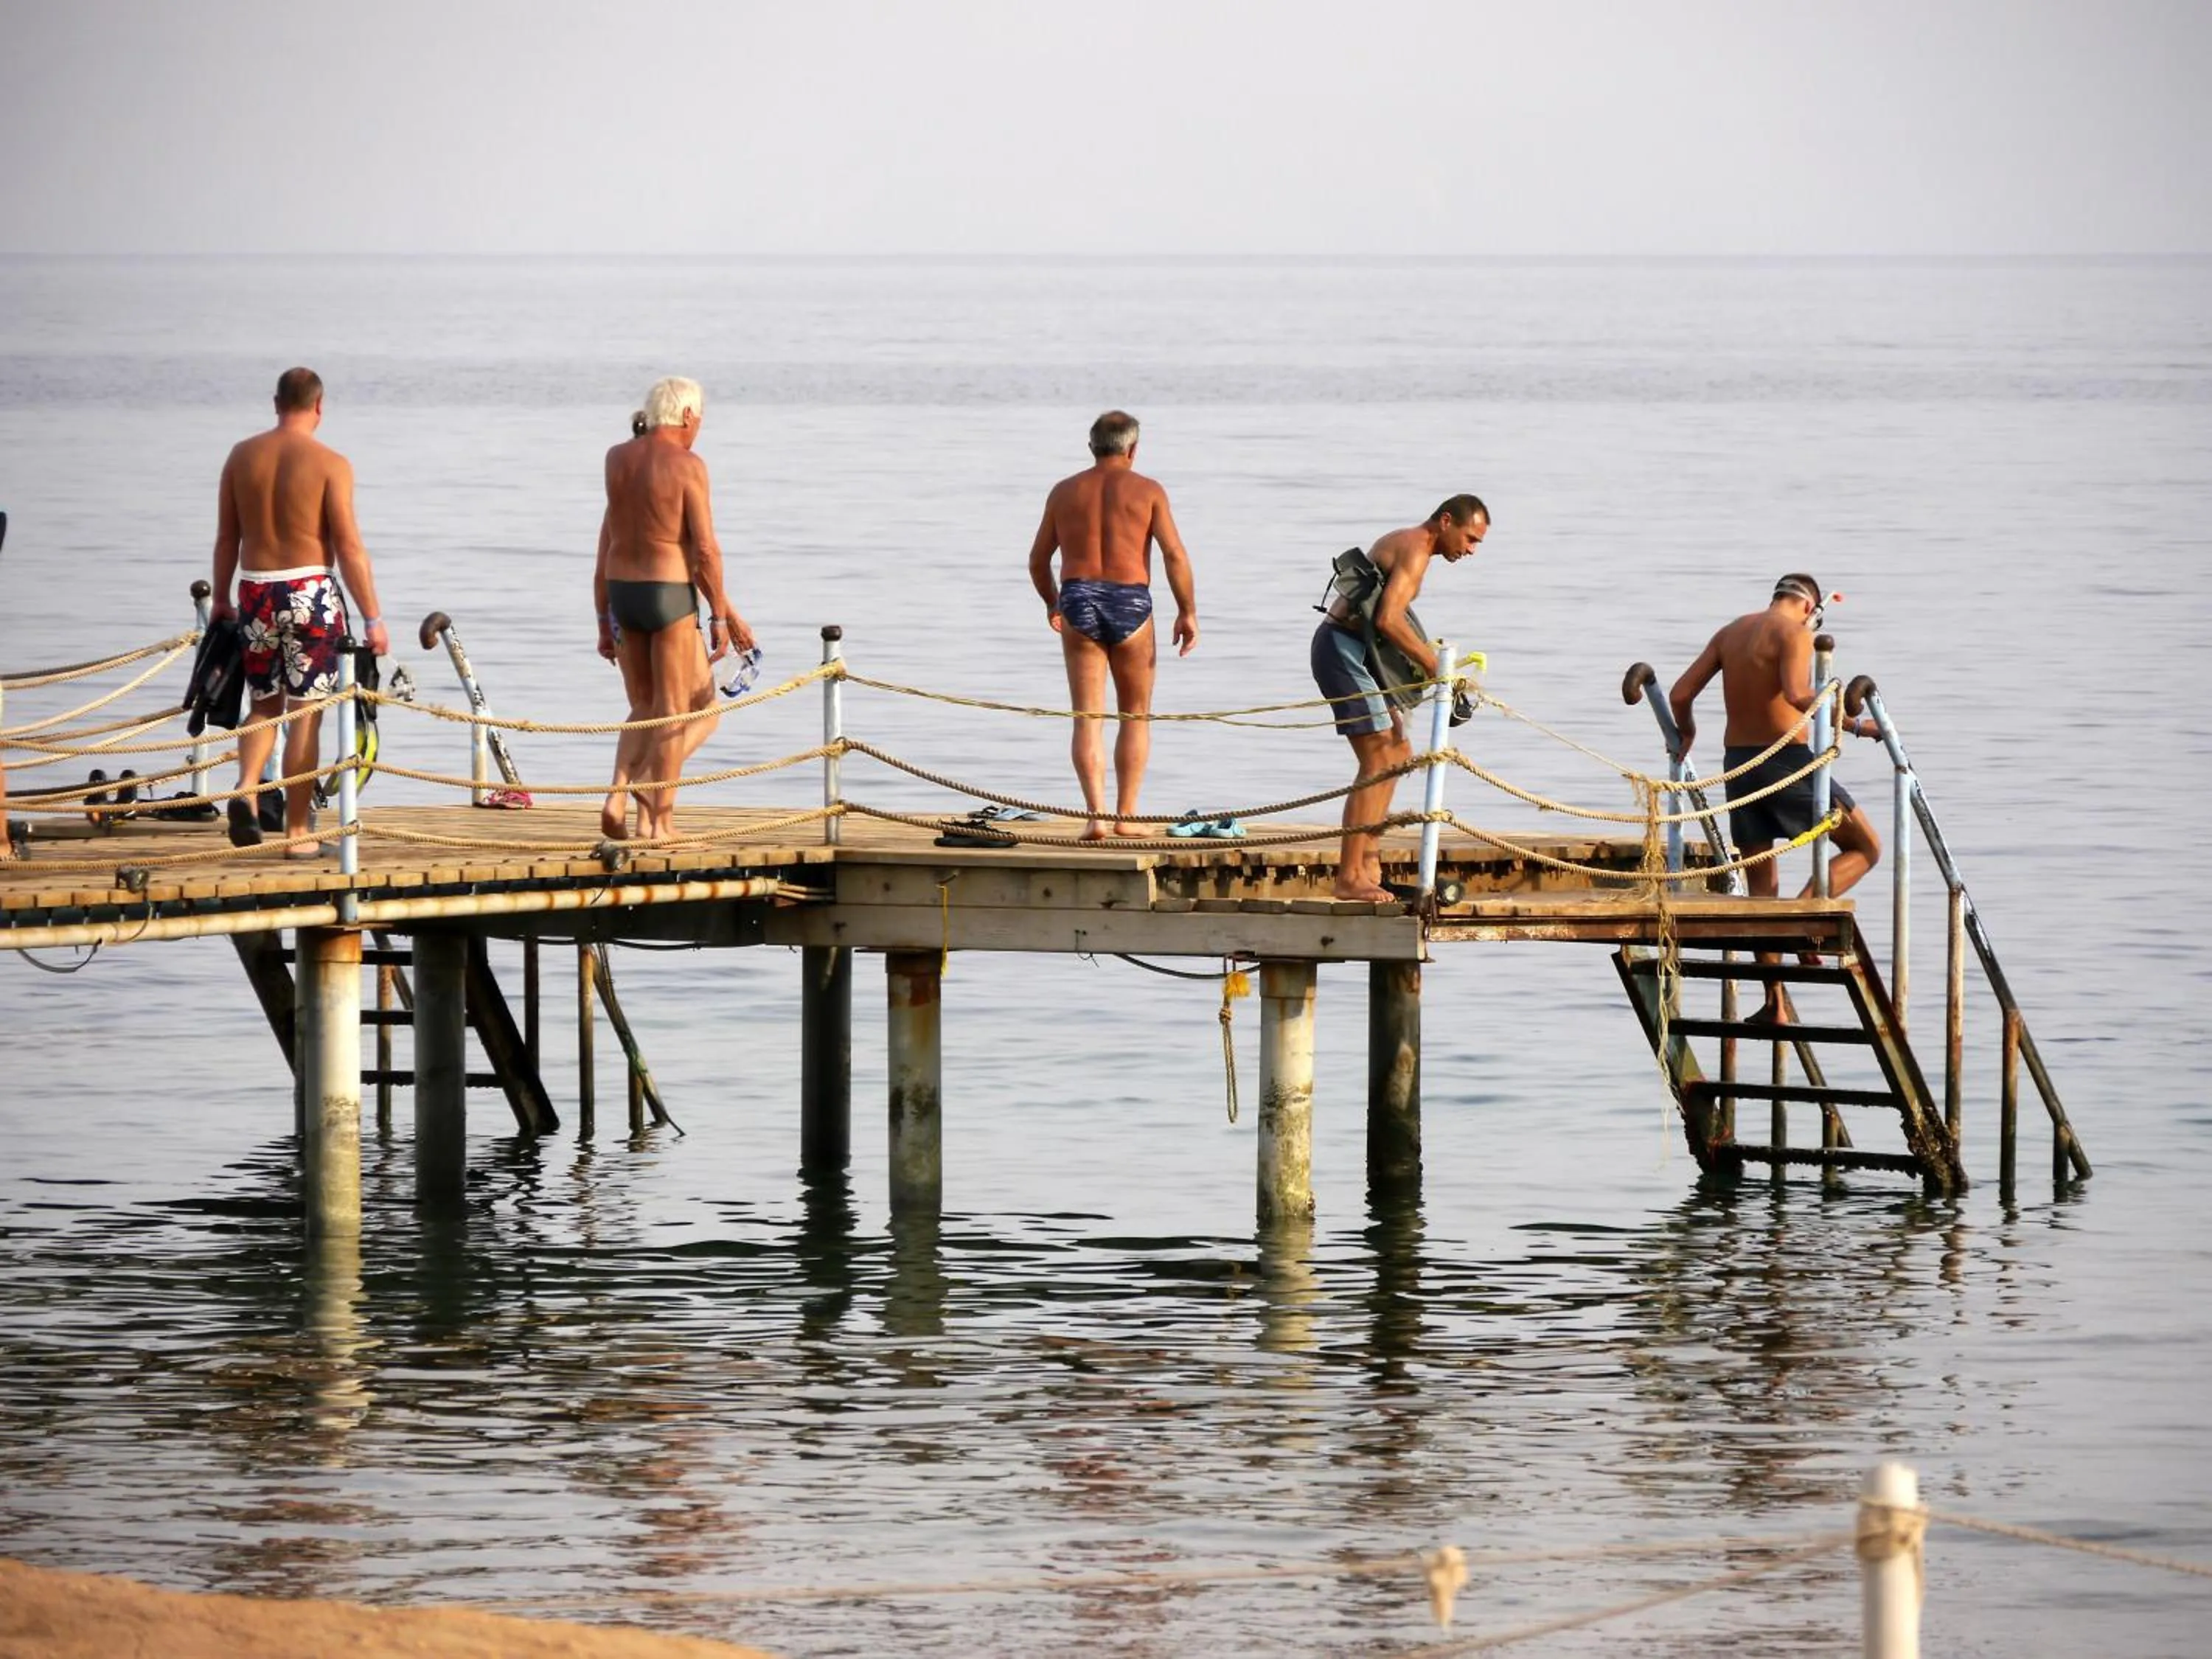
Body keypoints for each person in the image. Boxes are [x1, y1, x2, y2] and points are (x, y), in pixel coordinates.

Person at [1667, 572, 1885, 1020]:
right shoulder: (1796, 634)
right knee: (1867, 847)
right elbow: (1797, 693)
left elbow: (1680, 693)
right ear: (1809, 608)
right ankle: (1805, 923)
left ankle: (1775, 1004)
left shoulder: (1730, 632)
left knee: (1761, 891)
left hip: (1738, 767)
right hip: (1786, 764)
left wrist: (1687, 731)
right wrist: (1856, 724)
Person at [209, 368, 390, 856]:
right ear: (319, 406)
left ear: (275, 403)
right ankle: (297, 834)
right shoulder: (331, 463)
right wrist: (372, 616)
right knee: (306, 714)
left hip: (256, 593)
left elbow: (228, 537)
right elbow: (349, 547)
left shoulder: (241, 456)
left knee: (265, 705)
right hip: (309, 590)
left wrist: (223, 598)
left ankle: (246, 790)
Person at [1026, 411, 1200, 841]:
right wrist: (1187, 611)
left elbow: (1037, 560)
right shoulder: (1149, 491)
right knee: (1135, 715)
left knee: (1087, 718)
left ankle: (1097, 817)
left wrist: (1054, 602)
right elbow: (1174, 555)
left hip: (1079, 598)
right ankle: (1126, 816)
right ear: (1133, 449)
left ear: (1092, 447)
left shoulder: (1064, 492)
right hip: (1130, 601)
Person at [594, 377, 755, 841]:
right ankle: (660, 823)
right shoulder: (689, 465)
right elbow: (704, 548)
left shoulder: (615, 459)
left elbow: (610, 540)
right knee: (671, 709)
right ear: (688, 416)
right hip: (668, 592)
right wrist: (720, 617)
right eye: (699, 419)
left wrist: (603, 617)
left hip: (623, 590)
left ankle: (617, 794)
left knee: (642, 704)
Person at [1310, 495, 1489, 902]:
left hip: (1358, 653)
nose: (1471, 549)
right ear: (1447, 521)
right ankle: (1349, 878)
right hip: (1340, 650)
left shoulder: (1416, 546)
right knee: (1377, 757)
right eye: (1470, 538)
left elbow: (1385, 618)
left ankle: (1368, 863)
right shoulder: (1414, 547)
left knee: (1398, 752)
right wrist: (1436, 667)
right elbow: (1389, 619)